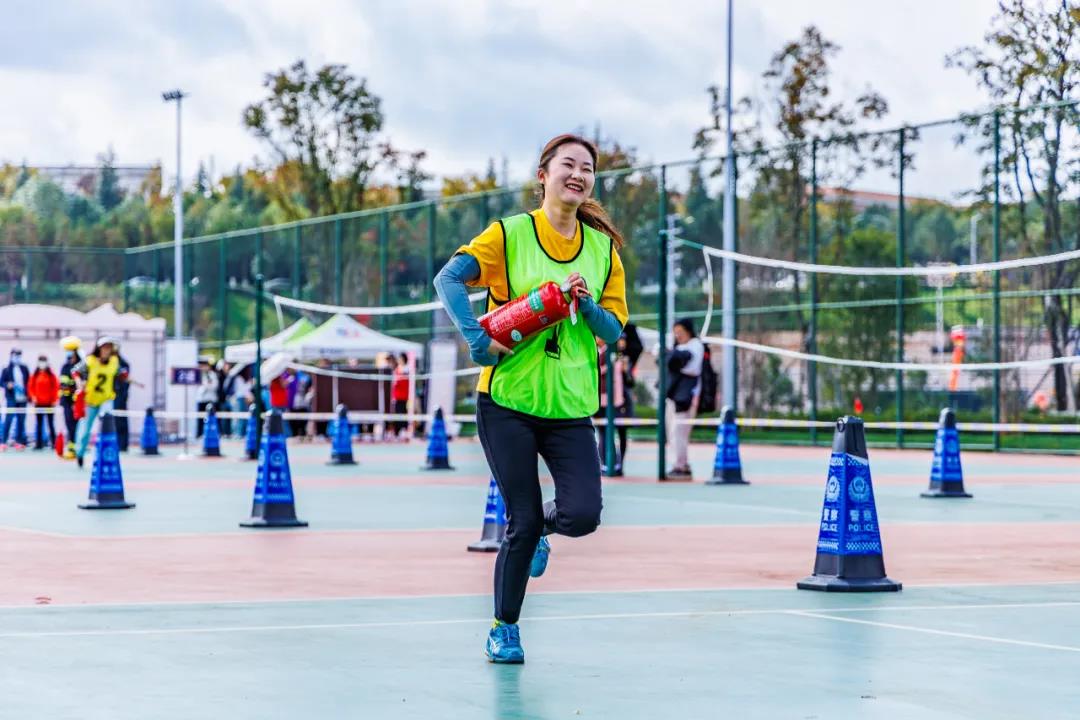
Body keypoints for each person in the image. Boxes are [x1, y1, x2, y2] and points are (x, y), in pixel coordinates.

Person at [434, 134, 628, 664]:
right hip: (508, 403)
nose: (578, 174)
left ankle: (544, 526)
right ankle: (504, 628)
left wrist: (586, 306)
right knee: (519, 521)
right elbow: (448, 280)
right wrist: (476, 337)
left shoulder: (603, 252)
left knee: (583, 515)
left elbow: (614, 330)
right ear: (543, 175)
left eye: (587, 168)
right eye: (568, 164)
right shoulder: (509, 235)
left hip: (569, 407)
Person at [72, 337, 124, 468]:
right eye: (104, 347)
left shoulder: (114, 361)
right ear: (99, 349)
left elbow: (121, 373)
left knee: (107, 425)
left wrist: (124, 375)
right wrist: (79, 383)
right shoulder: (90, 361)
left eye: (109, 348)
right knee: (85, 431)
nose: (107, 350)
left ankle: (107, 454)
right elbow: (75, 371)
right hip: (90, 401)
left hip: (106, 399)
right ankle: (80, 453)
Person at [665, 318, 705, 479]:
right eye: (675, 333)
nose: (678, 335)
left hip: (686, 397)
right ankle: (681, 463)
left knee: (679, 431)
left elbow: (691, 368)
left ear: (688, 331)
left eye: (680, 332)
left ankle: (680, 465)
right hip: (673, 395)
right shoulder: (678, 347)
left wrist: (673, 357)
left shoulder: (696, 345)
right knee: (671, 431)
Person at [594, 335, 633, 476]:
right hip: (605, 400)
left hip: (616, 400)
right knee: (604, 432)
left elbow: (629, 381)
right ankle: (609, 463)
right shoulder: (601, 353)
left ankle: (615, 464)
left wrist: (625, 370)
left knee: (614, 433)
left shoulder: (615, 355)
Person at [1, 348, 31, 450]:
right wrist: (7, 385)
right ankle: (3, 442)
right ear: (11, 356)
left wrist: (28, 394)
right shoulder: (6, 369)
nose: (17, 357)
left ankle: (19, 442)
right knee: (8, 420)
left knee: (21, 421)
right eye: (15, 355)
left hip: (23, 399)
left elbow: (29, 382)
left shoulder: (24, 368)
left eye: (18, 355)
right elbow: (1, 382)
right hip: (11, 398)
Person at [27, 355, 59, 451]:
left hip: (49, 403)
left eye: (44, 361)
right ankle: (39, 444)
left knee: (51, 424)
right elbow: (30, 387)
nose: (42, 363)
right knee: (39, 424)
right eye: (41, 361)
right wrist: (33, 397)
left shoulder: (51, 375)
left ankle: (54, 443)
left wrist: (54, 400)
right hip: (38, 403)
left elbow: (56, 388)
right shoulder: (35, 375)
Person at [58, 337, 82, 459]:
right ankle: (71, 447)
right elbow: (62, 383)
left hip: (78, 400)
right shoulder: (65, 366)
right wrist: (66, 388)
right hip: (66, 400)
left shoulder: (81, 366)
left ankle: (78, 447)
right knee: (69, 423)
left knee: (78, 424)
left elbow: (82, 382)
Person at [194, 356, 219, 438]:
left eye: (204, 366)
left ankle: (210, 434)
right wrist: (206, 385)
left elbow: (214, 386)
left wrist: (205, 385)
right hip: (201, 399)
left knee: (210, 418)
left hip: (210, 399)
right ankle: (199, 434)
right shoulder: (198, 374)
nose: (202, 367)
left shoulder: (212, 374)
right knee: (200, 418)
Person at [390, 353, 410, 440]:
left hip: (403, 396)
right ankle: (397, 432)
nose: (399, 360)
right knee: (397, 413)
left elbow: (402, 382)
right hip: (397, 396)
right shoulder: (397, 369)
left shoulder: (406, 369)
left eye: (400, 358)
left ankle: (403, 430)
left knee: (402, 412)